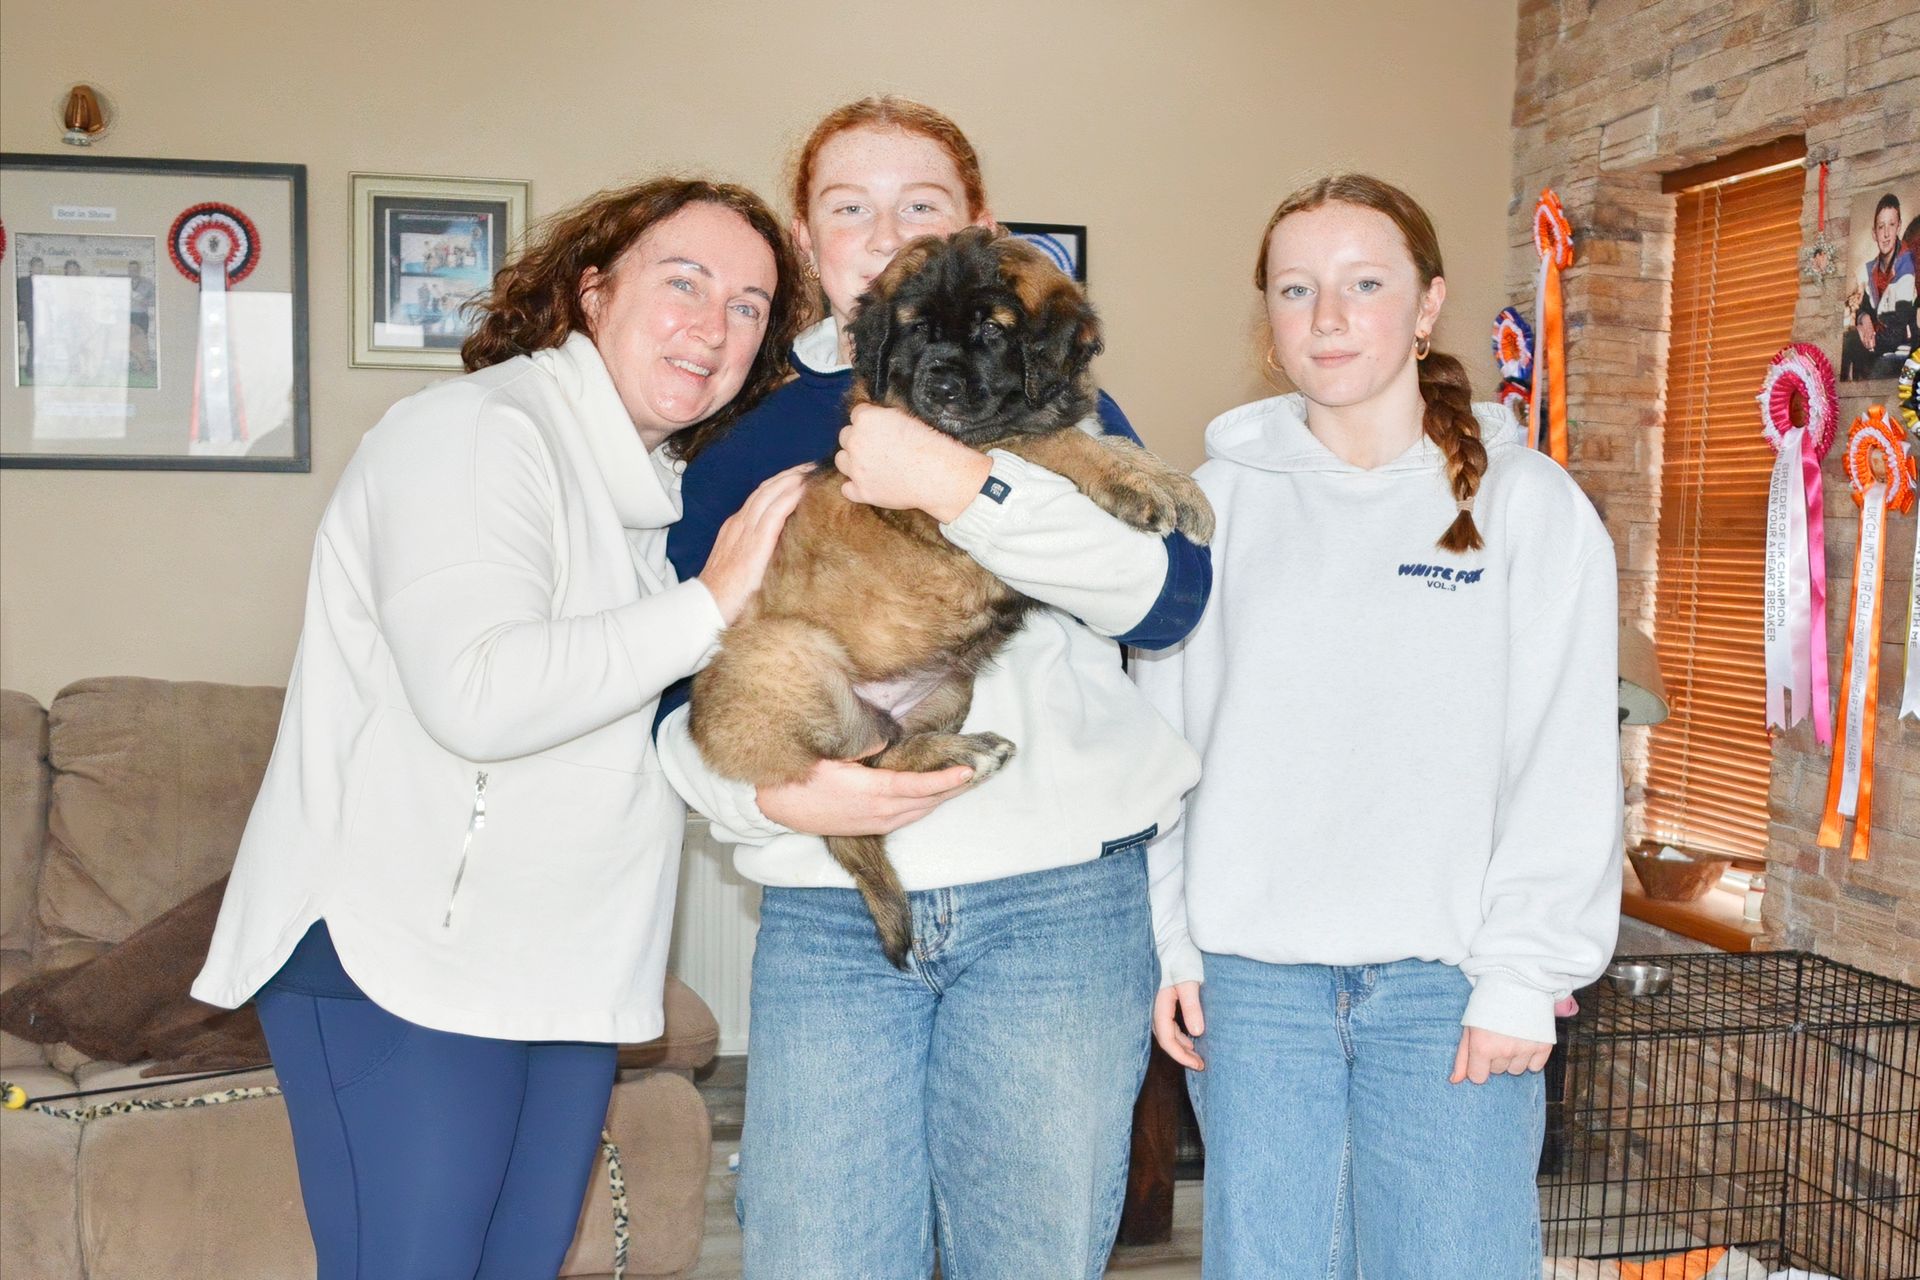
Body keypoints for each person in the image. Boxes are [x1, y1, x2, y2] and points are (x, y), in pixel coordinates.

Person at [191, 176, 809, 1279]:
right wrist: (710, 605)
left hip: (556, 968)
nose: (716, 325)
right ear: (591, 291)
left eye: (752, 304)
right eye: (685, 281)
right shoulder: (475, 431)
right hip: (403, 957)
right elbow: (477, 689)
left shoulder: (648, 493)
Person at [652, 96, 1211, 1279]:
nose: (884, 228)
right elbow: (675, 675)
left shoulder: (1048, 390)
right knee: (821, 1251)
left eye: (921, 204)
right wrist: (775, 801)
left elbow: (1164, 601)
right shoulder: (746, 428)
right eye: (849, 208)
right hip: (831, 911)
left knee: (1029, 1253)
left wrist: (967, 487)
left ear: (978, 227)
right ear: (809, 242)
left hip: (1058, 902)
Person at [1131, 174, 1622, 1279]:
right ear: (1268, 317)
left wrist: (1521, 972)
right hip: (1253, 986)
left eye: (1365, 284)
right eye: (1298, 289)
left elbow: (1566, 764)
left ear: (1428, 302)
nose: (1330, 317)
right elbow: (1160, 746)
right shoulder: (1212, 505)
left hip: (1449, 986)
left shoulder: (1529, 507)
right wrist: (1170, 939)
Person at [1842, 193, 1917, 379]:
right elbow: (1864, 307)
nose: (1886, 234)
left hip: (1902, 347)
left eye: (1891, 225)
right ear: (1873, 233)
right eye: (1880, 226)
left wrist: (1870, 339)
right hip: (1881, 340)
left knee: (1876, 367)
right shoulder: (1874, 269)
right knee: (1848, 341)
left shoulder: (1908, 267)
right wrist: (1865, 319)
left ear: (1898, 226)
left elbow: (1898, 329)